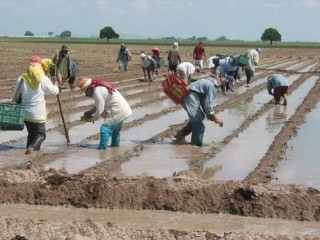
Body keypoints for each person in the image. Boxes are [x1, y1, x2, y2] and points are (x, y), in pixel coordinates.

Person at [11, 56, 60, 154]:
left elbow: (15, 95)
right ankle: (32, 149)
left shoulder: (21, 78)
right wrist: (56, 84)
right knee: (41, 135)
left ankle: (28, 154)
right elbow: (55, 92)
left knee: (31, 134)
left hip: (25, 113)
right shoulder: (44, 79)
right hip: (38, 113)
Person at [78, 77, 132, 150]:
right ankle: (115, 149)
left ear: (89, 88)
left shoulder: (97, 91)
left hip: (118, 110)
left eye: (85, 91)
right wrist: (90, 112)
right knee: (115, 131)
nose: (86, 94)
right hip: (123, 109)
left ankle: (101, 150)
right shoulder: (100, 88)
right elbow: (99, 104)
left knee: (105, 128)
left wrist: (91, 119)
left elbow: (100, 109)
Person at [174, 78, 224, 146]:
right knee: (200, 126)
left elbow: (204, 105)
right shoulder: (212, 86)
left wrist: (212, 118)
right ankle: (195, 146)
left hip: (188, 96)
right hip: (190, 98)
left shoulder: (209, 83)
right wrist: (216, 119)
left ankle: (180, 135)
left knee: (201, 116)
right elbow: (208, 106)